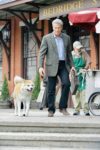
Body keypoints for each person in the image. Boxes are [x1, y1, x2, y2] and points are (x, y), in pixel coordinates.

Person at [38, 18, 74, 117]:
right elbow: (41, 53)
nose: (57, 30)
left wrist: (72, 66)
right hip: (51, 66)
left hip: (63, 65)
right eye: (55, 28)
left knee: (66, 84)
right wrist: (40, 67)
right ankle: (51, 110)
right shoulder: (46, 38)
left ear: (61, 28)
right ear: (53, 28)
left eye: (58, 28)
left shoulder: (67, 38)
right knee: (51, 89)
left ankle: (63, 107)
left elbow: (69, 54)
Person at [72, 41, 91, 116]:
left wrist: (86, 67)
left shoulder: (83, 53)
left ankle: (86, 110)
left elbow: (89, 60)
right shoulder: (71, 54)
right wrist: (72, 68)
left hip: (82, 74)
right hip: (74, 75)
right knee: (76, 93)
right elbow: (69, 63)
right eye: (78, 48)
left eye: (80, 48)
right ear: (74, 48)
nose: (79, 49)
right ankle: (77, 110)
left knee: (84, 92)